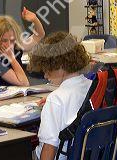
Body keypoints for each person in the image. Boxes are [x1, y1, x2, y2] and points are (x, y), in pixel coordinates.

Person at [28, 31, 91, 160]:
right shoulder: (92, 87)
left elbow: (49, 148)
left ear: (59, 65)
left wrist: (53, 104)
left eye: (47, 69)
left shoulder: (56, 99)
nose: (45, 75)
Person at [0, 7, 45, 87]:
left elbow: (39, 35)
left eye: (12, 40)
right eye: (4, 40)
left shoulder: (16, 47)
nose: (9, 45)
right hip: (4, 98)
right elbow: (24, 83)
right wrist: (12, 59)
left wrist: (35, 20)